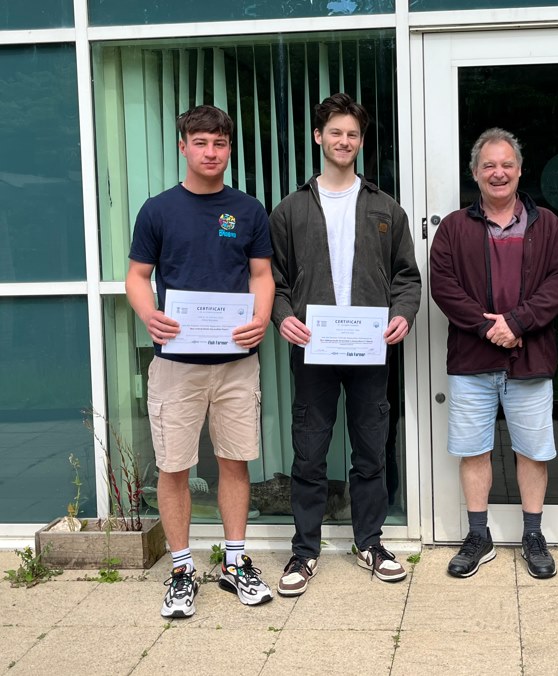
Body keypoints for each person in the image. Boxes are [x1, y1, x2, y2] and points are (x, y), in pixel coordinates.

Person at [126, 104, 275, 618]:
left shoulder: (249, 210)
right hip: (177, 362)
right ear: (183, 147)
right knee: (174, 466)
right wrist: (149, 314)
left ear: (229, 149)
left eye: (220, 144)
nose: (211, 152)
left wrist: (262, 316)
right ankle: (183, 568)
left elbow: (261, 275)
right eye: (201, 143)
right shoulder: (158, 210)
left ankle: (234, 562)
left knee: (235, 461)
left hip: (236, 359)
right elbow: (137, 276)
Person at [269, 93, 421, 594]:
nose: (344, 141)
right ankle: (304, 551)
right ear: (319, 137)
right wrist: (283, 316)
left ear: (360, 141)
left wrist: (402, 315)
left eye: (352, 134)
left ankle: (370, 541)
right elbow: (275, 279)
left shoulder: (384, 208)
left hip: (368, 350)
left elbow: (406, 277)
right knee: (309, 452)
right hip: (312, 348)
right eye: (335, 132)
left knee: (370, 450)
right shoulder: (290, 210)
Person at [430, 128, 558, 579]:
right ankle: (479, 535)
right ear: (474, 173)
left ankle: (532, 534)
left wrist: (518, 324)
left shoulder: (546, 224)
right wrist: (489, 327)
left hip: (530, 357)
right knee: (474, 451)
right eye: (488, 165)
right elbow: (443, 286)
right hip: (472, 360)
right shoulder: (454, 227)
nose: (498, 172)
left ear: (520, 169)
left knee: (532, 452)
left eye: (506, 164)